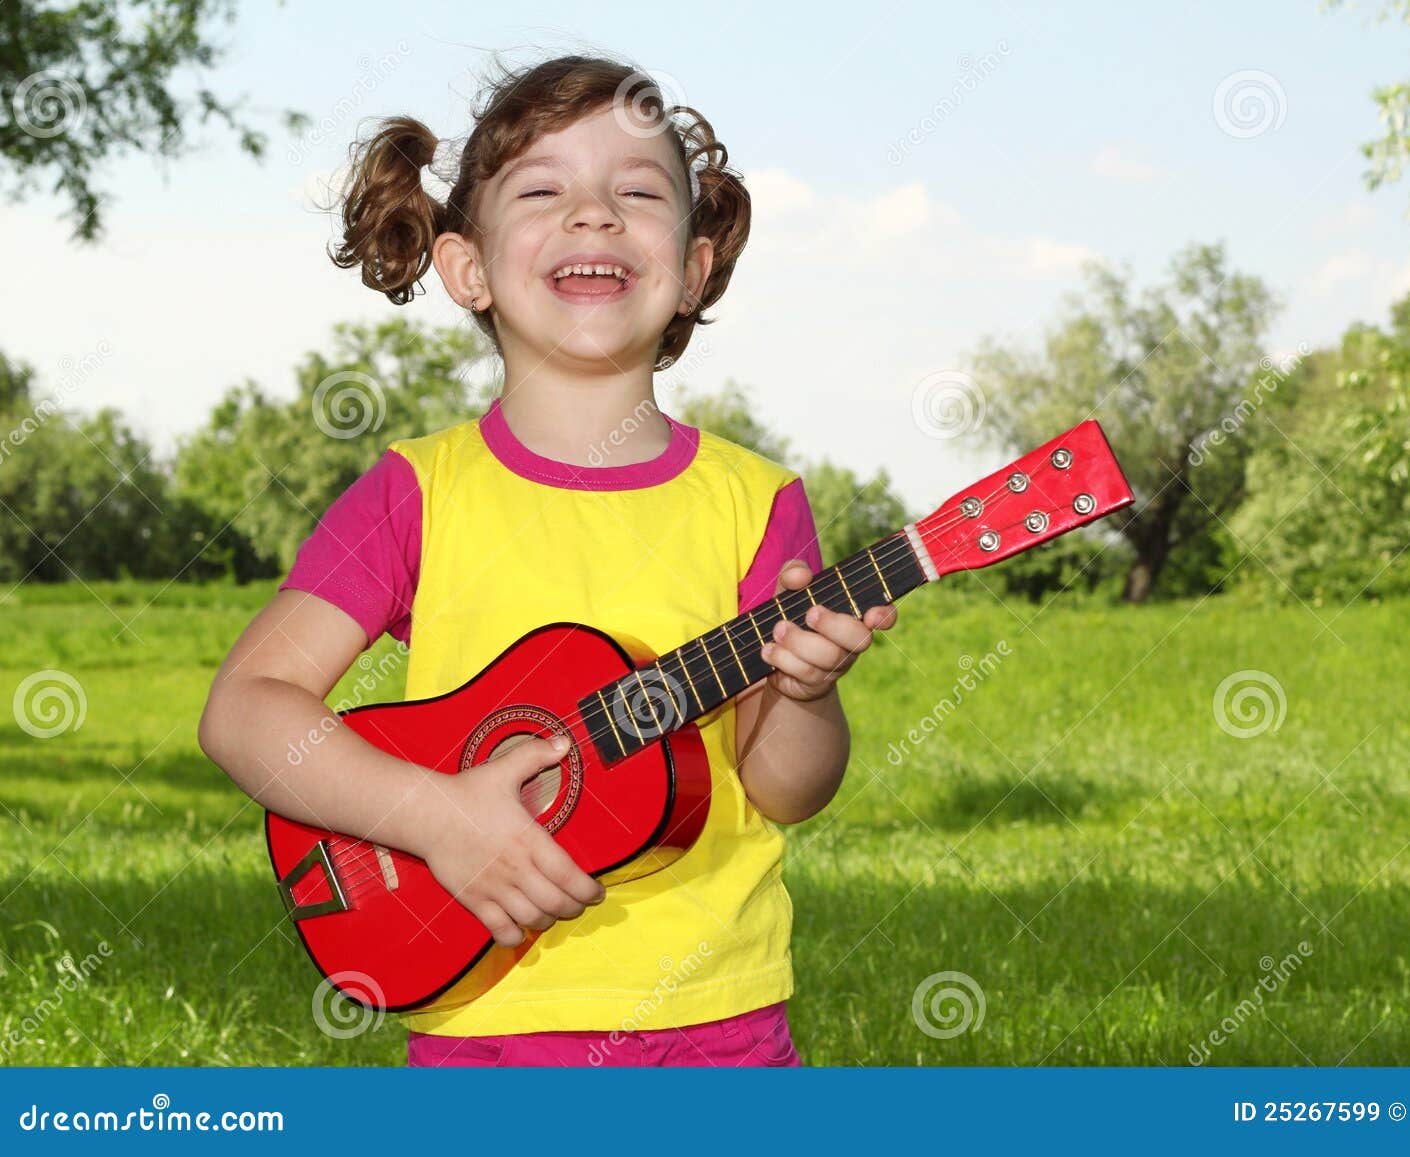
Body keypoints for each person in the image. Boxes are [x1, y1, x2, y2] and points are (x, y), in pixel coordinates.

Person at [196, 53, 898, 1067]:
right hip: (482, 1028)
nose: (594, 214)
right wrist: (434, 816)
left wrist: (807, 690)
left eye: (638, 191)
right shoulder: (415, 492)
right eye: (543, 190)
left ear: (693, 267)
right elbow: (246, 709)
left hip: (717, 1026)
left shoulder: (756, 501)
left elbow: (786, 786)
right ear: (465, 266)